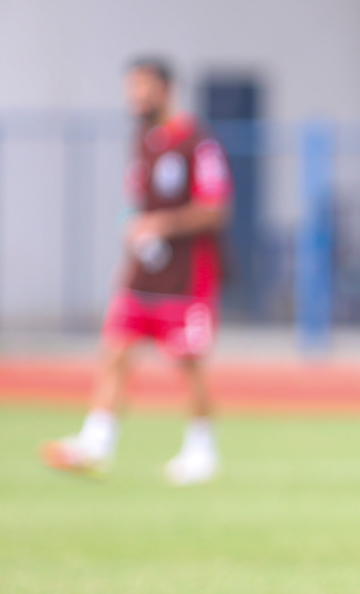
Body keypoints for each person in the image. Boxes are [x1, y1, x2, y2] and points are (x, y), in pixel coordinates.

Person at [42, 57, 232, 485]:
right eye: (131, 88)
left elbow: (215, 208)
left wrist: (162, 224)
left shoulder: (195, 142)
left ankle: (202, 450)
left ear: (165, 89)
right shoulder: (143, 141)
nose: (135, 97)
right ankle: (96, 443)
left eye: (143, 87)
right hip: (144, 273)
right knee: (115, 351)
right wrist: (135, 228)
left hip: (187, 277)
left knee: (189, 363)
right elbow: (140, 204)